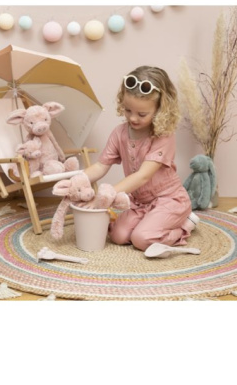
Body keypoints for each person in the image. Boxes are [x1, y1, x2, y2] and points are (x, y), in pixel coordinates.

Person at [83, 65, 199, 256]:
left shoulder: (163, 136)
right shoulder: (119, 133)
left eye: (142, 114)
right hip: (139, 202)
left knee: (141, 239)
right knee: (118, 236)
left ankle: (185, 225)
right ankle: (148, 223)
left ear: (160, 110)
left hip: (168, 199)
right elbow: (101, 165)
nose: (133, 118)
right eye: (128, 110)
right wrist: (78, 180)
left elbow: (143, 176)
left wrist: (106, 195)